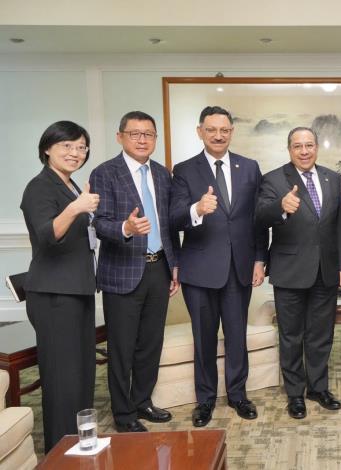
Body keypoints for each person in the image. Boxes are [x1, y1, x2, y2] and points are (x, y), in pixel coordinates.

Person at [170, 106, 268, 427]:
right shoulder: (184, 170)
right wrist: (196, 209)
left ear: (231, 131)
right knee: (204, 337)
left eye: (224, 129)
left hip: (239, 268)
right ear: (200, 131)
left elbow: (258, 220)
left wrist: (259, 258)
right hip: (199, 270)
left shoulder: (250, 167)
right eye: (211, 129)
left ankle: (238, 395)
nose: (218, 135)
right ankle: (206, 399)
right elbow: (173, 218)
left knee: (237, 336)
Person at [90, 111, 180, 432]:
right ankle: (124, 413)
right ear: (120, 137)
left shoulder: (162, 174)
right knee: (122, 348)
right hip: (122, 272)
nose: (143, 140)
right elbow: (99, 222)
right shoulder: (105, 173)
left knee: (150, 343)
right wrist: (125, 228)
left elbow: (168, 226)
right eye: (135, 134)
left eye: (149, 134)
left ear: (155, 139)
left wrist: (175, 266)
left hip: (159, 268)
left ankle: (143, 401)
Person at [256, 127, 341, 419]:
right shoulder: (273, 179)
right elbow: (259, 217)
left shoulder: (332, 178)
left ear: (317, 147)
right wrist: (280, 208)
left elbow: (339, 225)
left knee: (321, 335)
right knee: (292, 336)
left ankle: (318, 387)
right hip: (290, 270)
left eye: (309, 145)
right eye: (298, 146)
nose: (304, 151)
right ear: (289, 149)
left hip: (326, 269)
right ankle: (295, 394)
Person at [21, 121, 99, 452]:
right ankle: (58, 450)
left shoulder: (68, 186)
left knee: (81, 375)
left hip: (77, 290)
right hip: (54, 295)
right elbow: (46, 236)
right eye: (67, 145)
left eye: (81, 147)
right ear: (47, 148)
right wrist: (76, 208)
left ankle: (79, 443)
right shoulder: (39, 187)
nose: (75, 152)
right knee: (61, 379)